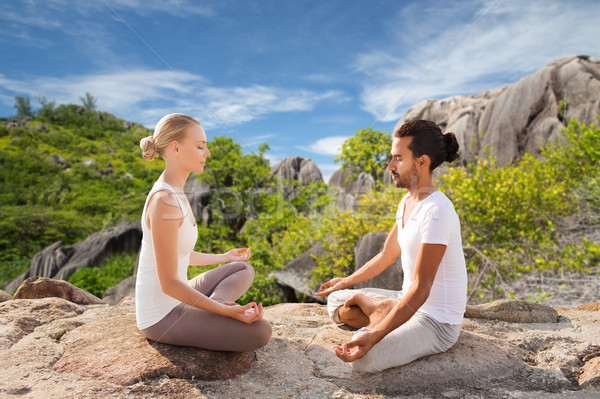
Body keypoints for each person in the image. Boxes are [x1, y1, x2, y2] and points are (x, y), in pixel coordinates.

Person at [315, 120, 467, 372]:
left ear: (422, 161)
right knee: (336, 300)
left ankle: (379, 315)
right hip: (404, 300)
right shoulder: (408, 201)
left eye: (398, 158)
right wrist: (346, 281)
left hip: (436, 321)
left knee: (364, 359)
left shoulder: (438, 211)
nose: (390, 166)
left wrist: (375, 335)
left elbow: (422, 288)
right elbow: (387, 254)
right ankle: (378, 310)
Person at [135, 113, 272, 351]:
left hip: (179, 296)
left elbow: (181, 254)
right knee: (261, 331)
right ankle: (215, 306)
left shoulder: (176, 192)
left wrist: (225, 257)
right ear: (175, 148)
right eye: (200, 147)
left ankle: (214, 303)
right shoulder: (164, 199)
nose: (207, 153)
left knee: (242, 268)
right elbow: (168, 284)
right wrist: (226, 311)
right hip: (161, 314)